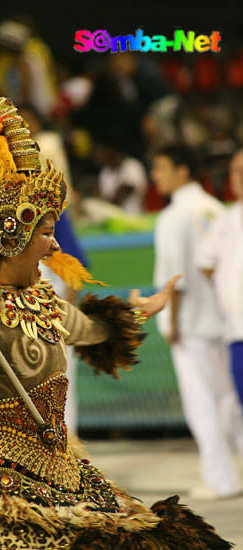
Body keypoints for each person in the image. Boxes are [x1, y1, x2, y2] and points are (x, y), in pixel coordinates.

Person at [0, 67, 232, 549]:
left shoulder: (44, 305)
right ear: (10, 235)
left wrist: (136, 309)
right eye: (45, 234)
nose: (51, 248)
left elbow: (93, 331)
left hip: (62, 469)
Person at [152, 143, 243, 499]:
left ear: (183, 170)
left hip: (190, 322)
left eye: (161, 167)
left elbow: (176, 277)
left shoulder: (175, 215)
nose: (155, 176)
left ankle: (221, 479)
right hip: (222, 321)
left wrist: (172, 322)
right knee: (228, 401)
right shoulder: (214, 207)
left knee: (202, 404)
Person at [196, 149, 243, 404]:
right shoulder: (224, 221)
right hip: (237, 333)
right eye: (236, 171)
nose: (240, 177)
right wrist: (225, 287)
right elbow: (205, 262)